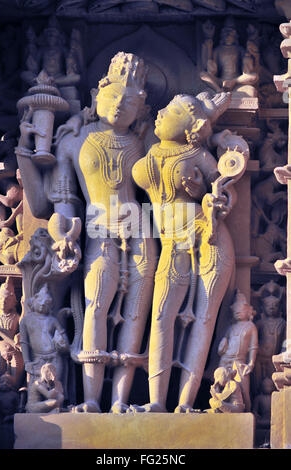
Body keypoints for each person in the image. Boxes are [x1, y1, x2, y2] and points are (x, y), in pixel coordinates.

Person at [16, 52, 157, 413]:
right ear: (98, 95)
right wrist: (65, 231)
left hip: (140, 232)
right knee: (95, 306)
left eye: (131, 99)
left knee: (137, 313)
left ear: (142, 107)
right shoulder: (73, 140)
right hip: (96, 230)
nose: (121, 105)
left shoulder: (143, 142)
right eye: (114, 96)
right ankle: (92, 400)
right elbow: (60, 203)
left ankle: (121, 402)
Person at [131, 92, 245, 412]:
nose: (161, 113)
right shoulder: (151, 150)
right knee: (161, 316)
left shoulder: (198, 154)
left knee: (204, 319)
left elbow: (223, 190)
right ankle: (156, 401)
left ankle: (185, 402)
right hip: (170, 242)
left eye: (169, 111)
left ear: (191, 126)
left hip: (208, 238)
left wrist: (214, 198)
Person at [19, 284, 69, 388]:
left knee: (55, 385)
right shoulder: (26, 320)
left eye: (46, 303)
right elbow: (24, 342)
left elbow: (64, 338)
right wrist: (27, 361)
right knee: (37, 388)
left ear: (50, 306)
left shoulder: (53, 320)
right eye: (40, 301)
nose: (42, 304)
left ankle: (57, 403)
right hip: (36, 359)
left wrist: (62, 342)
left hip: (55, 357)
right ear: (33, 301)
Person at [217, 289, 258, 411]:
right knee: (220, 383)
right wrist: (222, 345)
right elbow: (222, 347)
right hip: (225, 360)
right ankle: (220, 405)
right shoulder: (230, 328)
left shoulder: (251, 327)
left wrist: (251, 363)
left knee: (243, 388)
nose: (238, 313)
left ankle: (246, 409)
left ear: (248, 311)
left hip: (239, 362)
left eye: (241, 310)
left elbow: (253, 347)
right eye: (235, 311)